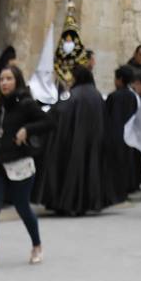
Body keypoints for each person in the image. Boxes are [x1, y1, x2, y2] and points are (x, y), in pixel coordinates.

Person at [0, 64, 51, 268]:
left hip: (19, 163)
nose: (4, 83)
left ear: (17, 81)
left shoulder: (26, 103)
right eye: (1, 79)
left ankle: (37, 245)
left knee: (22, 206)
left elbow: (49, 122)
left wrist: (27, 129)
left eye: (8, 79)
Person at [36, 65, 108, 216]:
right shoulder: (97, 95)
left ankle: (67, 203)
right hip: (93, 140)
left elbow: (59, 111)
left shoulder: (71, 94)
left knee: (71, 172)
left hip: (72, 140)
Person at [103, 65, 141, 202]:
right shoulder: (132, 96)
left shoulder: (113, 96)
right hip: (129, 134)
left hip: (114, 134)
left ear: (120, 79)